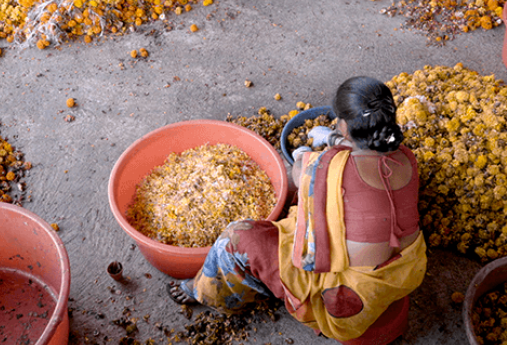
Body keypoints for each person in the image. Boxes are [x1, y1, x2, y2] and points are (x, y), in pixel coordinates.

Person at [168, 76, 427, 341]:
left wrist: (306, 156)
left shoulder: (328, 168)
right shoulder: (406, 157)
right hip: (404, 269)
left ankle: (199, 291)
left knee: (237, 238)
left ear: (345, 126)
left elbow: (302, 177)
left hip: (345, 289)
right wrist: (337, 144)